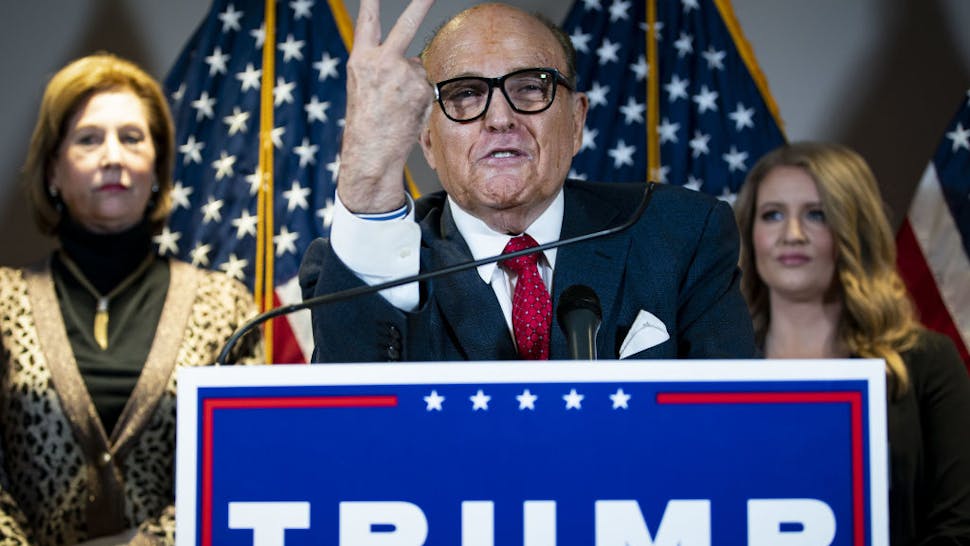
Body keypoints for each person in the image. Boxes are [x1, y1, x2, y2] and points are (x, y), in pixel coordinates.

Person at [299, 0, 756, 362]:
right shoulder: (370, 260)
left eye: (531, 88)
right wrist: (367, 171)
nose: (500, 118)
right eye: (465, 94)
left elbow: (730, 431)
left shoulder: (682, 234)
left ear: (576, 122)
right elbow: (348, 440)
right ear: (428, 141)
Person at [0, 53, 263, 545]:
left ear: (158, 167)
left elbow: (243, 465)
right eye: (88, 139)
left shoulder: (224, 305)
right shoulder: (3, 302)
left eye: (132, 138)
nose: (113, 157)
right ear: (53, 171)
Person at [734, 141, 970, 544]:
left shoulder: (926, 362)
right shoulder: (715, 365)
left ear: (853, 230)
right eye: (772, 215)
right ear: (750, 233)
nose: (792, 235)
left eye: (817, 215)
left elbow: (958, 525)